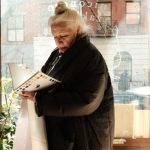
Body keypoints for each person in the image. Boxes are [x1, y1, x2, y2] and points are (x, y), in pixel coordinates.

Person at [20, 1, 114, 150]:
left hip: (84, 139)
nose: (58, 41)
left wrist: (39, 99)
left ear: (78, 30)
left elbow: (87, 101)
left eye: (64, 35)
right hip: (64, 137)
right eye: (55, 36)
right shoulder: (56, 54)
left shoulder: (91, 57)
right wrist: (29, 86)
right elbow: (45, 81)